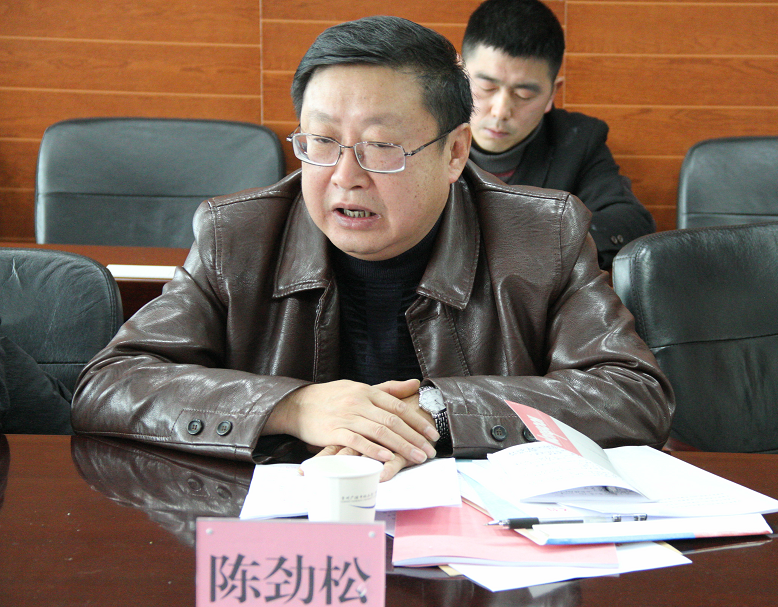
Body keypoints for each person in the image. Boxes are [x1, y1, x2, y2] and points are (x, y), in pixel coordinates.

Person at [71, 16, 673, 481]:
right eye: (321, 141)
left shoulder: (542, 236)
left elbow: (632, 394)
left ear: (455, 153)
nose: (344, 176)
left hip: (474, 546)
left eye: (381, 148)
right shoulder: (238, 236)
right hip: (295, 538)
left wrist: (437, 411)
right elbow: (111, 384)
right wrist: (291, 407)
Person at [462, 0, 655, 269]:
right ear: (459, 75)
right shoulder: (425, 134)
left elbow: (630, 222)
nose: (501, 111)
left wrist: (537, 239)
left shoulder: (577, 140)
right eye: (486, 87)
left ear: (552, 93)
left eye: (524, 94)